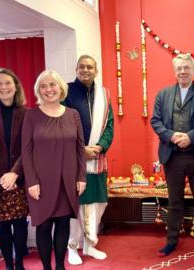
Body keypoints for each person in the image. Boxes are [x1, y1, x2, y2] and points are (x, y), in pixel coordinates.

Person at [22, 70, 86, 270]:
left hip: (67, 179)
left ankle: (60, 266)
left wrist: (81, 176)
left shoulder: (73, 114)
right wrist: (31, 181)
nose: (49, 89)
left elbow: (79, 148)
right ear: (38, 90)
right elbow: (26, 151)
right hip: (40, 182)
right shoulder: (31, 116)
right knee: (43, 226)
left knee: (63, 224)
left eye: (52, 85)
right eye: (44, 86)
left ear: (61, 88)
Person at [150, 54, 194, 259]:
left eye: (187, 67)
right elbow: (156, 121)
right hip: (172, 155)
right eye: (179, 68)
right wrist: (171, 136)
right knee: (174, 202)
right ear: (174, 71)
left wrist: (191, 136)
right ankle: (171, 241)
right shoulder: (163, 94)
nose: (183, 71)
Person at [64, 55, 114, 265]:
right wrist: (80, 150)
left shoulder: (104, 94)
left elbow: (109, 126)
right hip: (74, 161)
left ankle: (90, 244)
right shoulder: (65, 91)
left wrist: (100, 147)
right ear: (76, 69)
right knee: (77, 206)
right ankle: (72, 247)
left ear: (96, 71)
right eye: (82, 67)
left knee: (99, 203)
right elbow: (61, 126)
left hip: (97, 160)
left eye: (90, 67)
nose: (86, 70)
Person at [0, 68, 29, 270]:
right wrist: (1, 175)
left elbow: (30, 147)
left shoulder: (27, 114)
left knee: (20, 224)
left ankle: (19, 265)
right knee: (2, 225)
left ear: (16, 86)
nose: (3, 87)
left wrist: (15, 172)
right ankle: (8, 266)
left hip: (19, 177)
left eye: (7, 83)